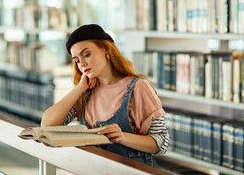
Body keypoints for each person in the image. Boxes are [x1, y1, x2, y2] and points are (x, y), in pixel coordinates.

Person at [41, 24, 170, 167]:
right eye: (77, 60)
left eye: (87, 54)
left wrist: (122, 137)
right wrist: (78, 89)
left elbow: (161, 143)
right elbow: (47, 125)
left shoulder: (138, 87)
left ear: (106, 49)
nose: (82, 64)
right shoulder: (85, 93)